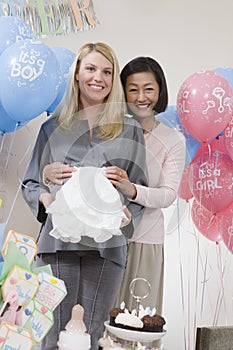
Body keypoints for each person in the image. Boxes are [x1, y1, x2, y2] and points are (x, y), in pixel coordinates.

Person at [22, 43, 148, 350]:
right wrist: (46, 197)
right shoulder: (52, 127)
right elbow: (30, 183)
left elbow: (137, 188)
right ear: (77, 73)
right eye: (91, 69)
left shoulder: (129, 130)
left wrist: (129, 211)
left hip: (106, 247)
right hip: (57, 245)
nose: (98, 78)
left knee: (94, 336)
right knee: (51, 336)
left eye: (107, 72)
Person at [105, 56, 186, 316]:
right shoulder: (110, 130)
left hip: (145, 241)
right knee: (100, 319)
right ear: (123, 92)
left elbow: (169, 194)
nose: (141, 97)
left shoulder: (172, 139)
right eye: (133, 89)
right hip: (103, 239)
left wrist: (133, 190)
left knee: (137, 322)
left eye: (148, 88)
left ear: (160, 90)